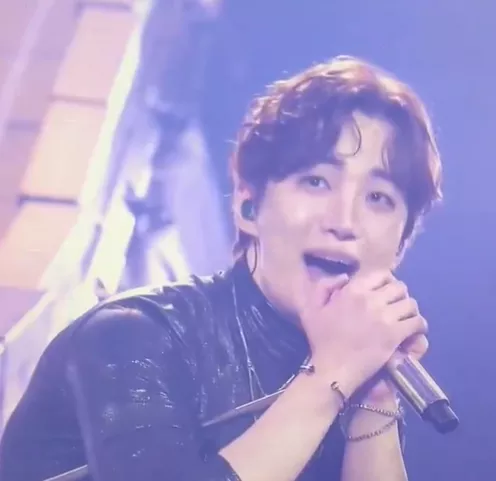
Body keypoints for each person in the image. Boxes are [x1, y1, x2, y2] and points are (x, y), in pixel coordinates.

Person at [0, 55, 442, 481]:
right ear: (248, 205)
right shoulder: (130, 335)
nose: (344, 221)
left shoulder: (351, 370)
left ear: (400, 245)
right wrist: (331, 376)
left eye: (378, 198)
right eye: (316, 181)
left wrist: (374, 400)